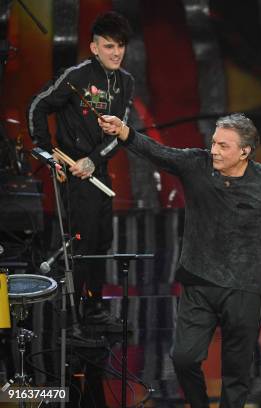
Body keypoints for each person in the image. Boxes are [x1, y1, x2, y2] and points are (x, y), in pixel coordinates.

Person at [98, 112, 261, 407]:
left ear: (245, 151)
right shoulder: (197, 164)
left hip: (244, 288)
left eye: (223, 146)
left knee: (237, 371)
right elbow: (158, 152)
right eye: (214, 142)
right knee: (183, 358)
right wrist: (123, 130)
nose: (214, 150)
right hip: (198, 282)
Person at [27, 11, 134, 332]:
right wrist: (48, 154)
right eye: (109, 46)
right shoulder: (76, 76)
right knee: (82, 241)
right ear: (94, 47)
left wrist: (93, 160)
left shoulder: (126, 82)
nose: (116, 52)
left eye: (121, 46)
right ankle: (77, 316)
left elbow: (121, 134)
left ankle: (94, 308)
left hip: (97, 170)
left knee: (102, 240)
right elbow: (37, 105)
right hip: (71, 174)